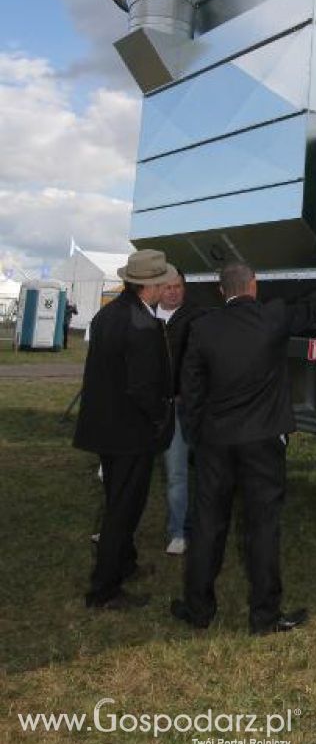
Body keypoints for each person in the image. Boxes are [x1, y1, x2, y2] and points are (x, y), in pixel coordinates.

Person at [170, 261, 316, 635]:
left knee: (208, 526)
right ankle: (264, 616)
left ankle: (199, 610)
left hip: (215, 442)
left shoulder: (202, 328)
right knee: (263, 526)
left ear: (223, 291)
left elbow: (190, 392)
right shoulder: (271, 318)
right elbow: (310, 305)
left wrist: (197, 435)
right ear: (253, 286)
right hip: (263, 442)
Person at [74, 249, 177, 610]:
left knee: (119, 498)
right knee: (124, 508)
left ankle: (125, 563)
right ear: (150, 286)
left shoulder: (108, 315)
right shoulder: (142, 324)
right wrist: (159, 417)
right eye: (163, 281)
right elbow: (142, 387)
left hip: (106, 427)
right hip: (130, 432)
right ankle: (104, 589)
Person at [157, 269, 208, 555]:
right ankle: (178, 531)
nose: (173, 292)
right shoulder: (147, 317)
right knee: (175, 473)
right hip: (161, 408)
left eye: (178, 287)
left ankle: (200, 527)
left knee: (203, 470)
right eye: (168, 287)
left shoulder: (198, 317)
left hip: (192, 407)